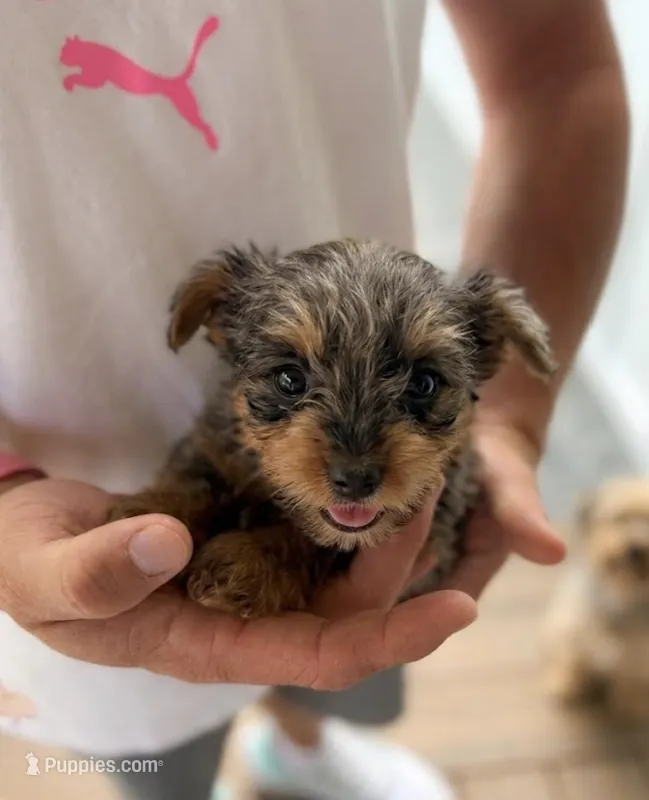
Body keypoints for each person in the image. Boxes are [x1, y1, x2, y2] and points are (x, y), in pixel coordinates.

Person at [0, 1, 628, 799]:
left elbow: (559, 68)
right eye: (290, 382)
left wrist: (514, 418)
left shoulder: (448, 424)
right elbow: (197, 470)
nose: (355, 460)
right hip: (50, 518)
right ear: (218, 326)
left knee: (350, 669)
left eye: (425, 386)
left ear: (489, 355)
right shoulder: (219, 408)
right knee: (156, 759)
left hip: (376, 602)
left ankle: (296, 755)